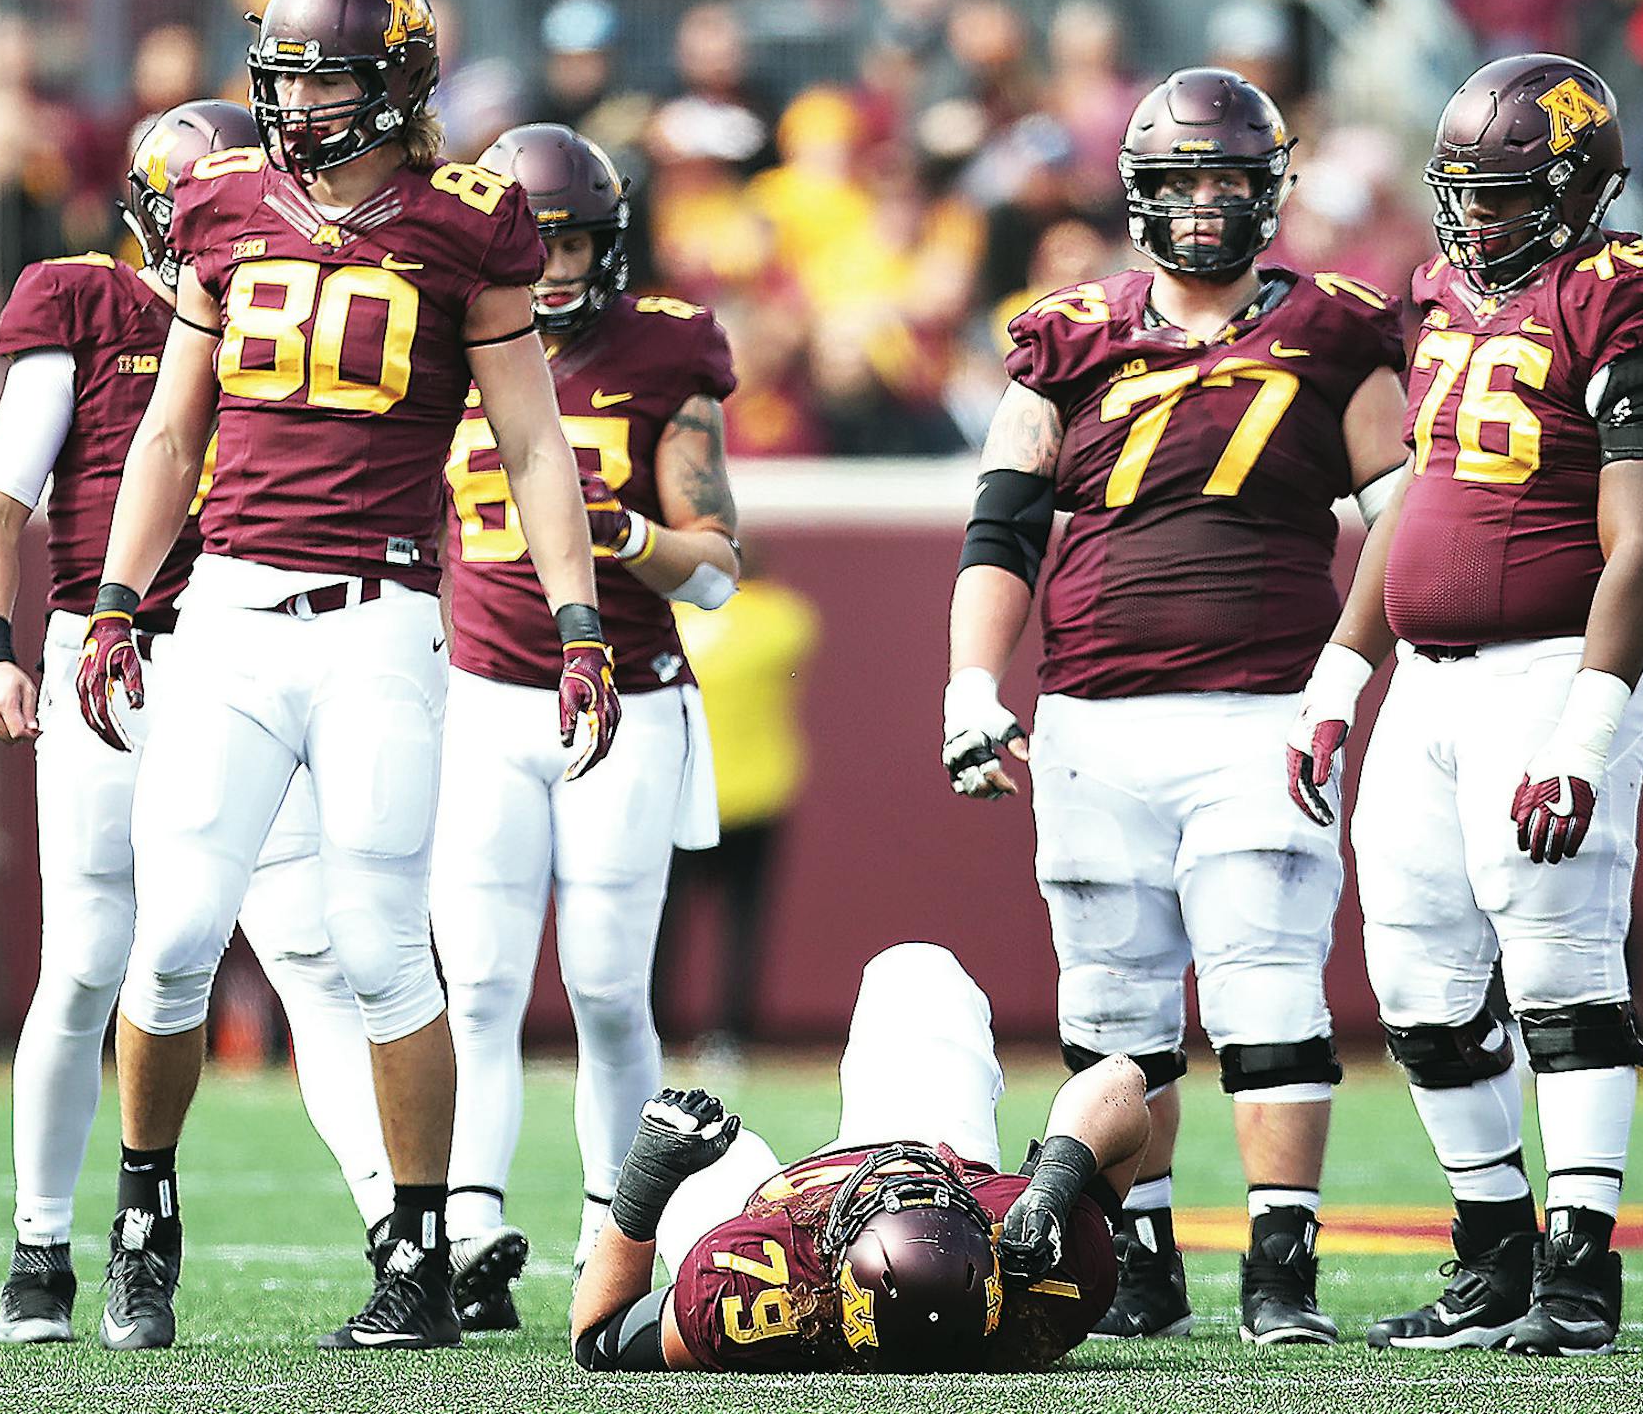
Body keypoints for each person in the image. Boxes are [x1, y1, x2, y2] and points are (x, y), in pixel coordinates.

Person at [73, 0, 616, 1353]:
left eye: (326, 80)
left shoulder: (468, 223)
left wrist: (577, 619)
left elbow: (532, 440)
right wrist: (123, 595)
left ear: (399, 89)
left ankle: (419, 1255)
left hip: (381, 615)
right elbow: (173, 431)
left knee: (384, 945)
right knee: (179, 932)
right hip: (234, 616)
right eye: (288, 75)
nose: (295, 102)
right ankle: (143, 1216)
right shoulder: (223, 202)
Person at [941, 67, 1409, 1346]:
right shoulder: (1064, 333)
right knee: (1112, 1004)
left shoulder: (1340, 329)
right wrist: (968, 684)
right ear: (1139, 194)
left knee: (1268, 990)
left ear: (1270, 192)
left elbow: (1399, 533)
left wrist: (1341, 681)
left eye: (1228, 183)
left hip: (1266, 707)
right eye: (1182, 183)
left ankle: (1281, 1268)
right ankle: (1141, 1258)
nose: (1205, 207)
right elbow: (1003, 530)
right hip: (1094, 714)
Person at [1289, 53, 1643, 1355]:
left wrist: (1587, 728)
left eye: (1508, 189)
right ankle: (1491, 1249)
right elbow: (1418, 500)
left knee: (1557, 950)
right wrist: (1338, 673)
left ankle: (1580, 1269)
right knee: (1413, 963)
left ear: (1580, 185)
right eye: (1463, 189)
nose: (1476, 215)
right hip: (1426, 679)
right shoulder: (1439, 293)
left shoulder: (1634, 294)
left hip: (1554, 662)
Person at [0, 99, 391, 1345]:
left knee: (310, 948)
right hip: (118, 653)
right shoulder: (87, 302)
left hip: (254, 652)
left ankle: (399, 1236)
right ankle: (41, 1247)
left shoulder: (306, 288)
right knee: (91, 956)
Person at [432, 122, 741, 1331]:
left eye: (574, 241)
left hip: (627, 695)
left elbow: (716, 570)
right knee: (481, 984)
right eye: (535, 238)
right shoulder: (440, 332)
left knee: (609, 987)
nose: (554, 266)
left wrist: (621, 537)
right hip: (477, 694)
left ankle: (614, 1231)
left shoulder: (667, 347)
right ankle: (466, 1228)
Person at [565, 943, 1149, 1373]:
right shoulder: (1050, 1284)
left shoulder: (756, 1287)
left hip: (783, 1212)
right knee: (918, 971)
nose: (897, 1175)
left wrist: (644, 1182)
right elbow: (1120, 1083)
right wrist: (1052, 1187)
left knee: (698, 1158)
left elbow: (598, 1337)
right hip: (946, 1158)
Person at [657, 558, 820, 1057]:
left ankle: (655, 1029)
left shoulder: (676, 619)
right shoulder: (780, 618)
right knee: (743, 924)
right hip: (756, 793)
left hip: (684, 796)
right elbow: (797, 631)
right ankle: (730, 1034)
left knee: (662, 924)